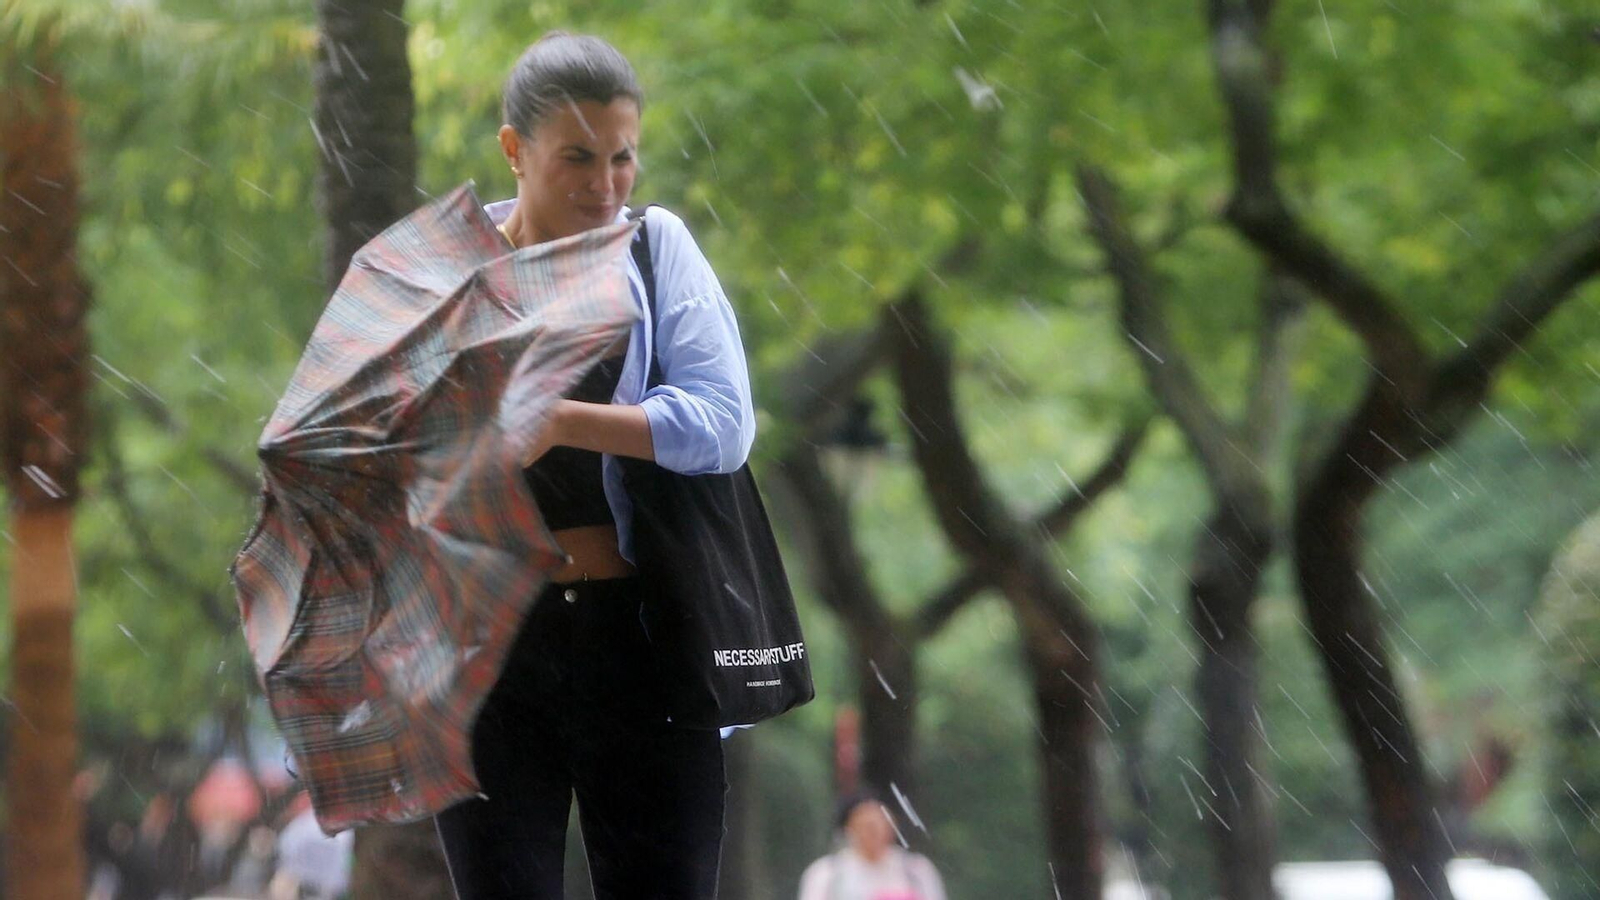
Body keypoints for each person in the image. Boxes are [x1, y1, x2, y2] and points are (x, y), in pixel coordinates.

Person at [430, 31, 758, 900]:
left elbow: (725, 424)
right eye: (578, 157)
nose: (606, 183)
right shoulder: (448, 271)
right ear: (514, 148)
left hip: (644, 644)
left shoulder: (656, 247)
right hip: (489, 650)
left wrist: (562, 422)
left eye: (622, 157)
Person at [797, 792, 948, 900]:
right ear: (849, 828)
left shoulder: (916, 870)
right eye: (866, 825)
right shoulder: (826, 874)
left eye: (879, 823)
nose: (873, 831)